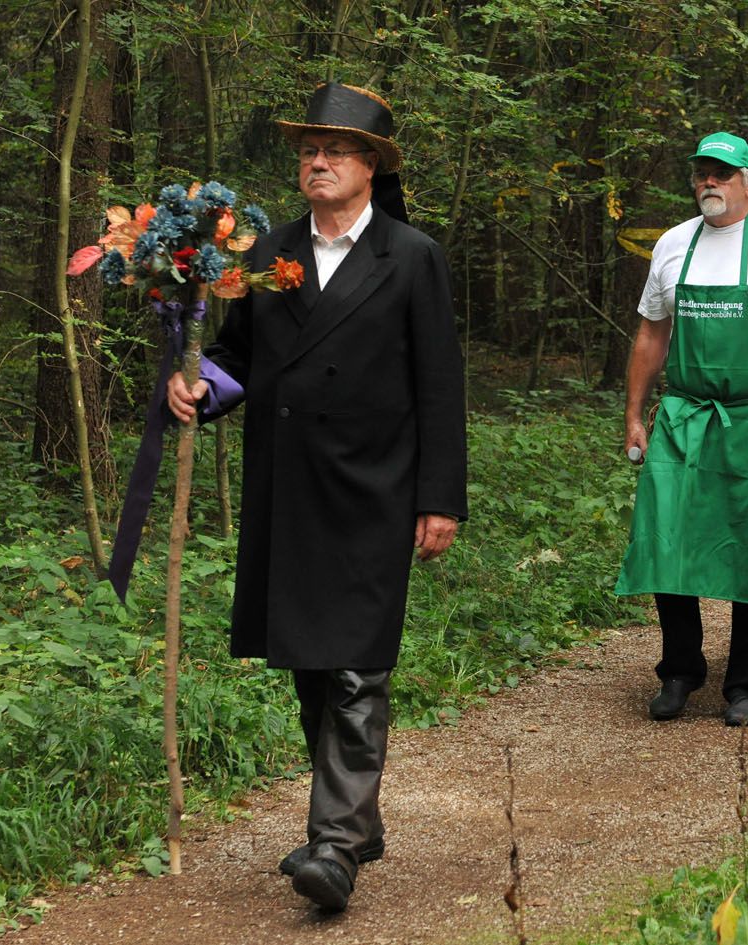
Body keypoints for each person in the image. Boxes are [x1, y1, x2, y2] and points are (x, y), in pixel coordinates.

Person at [166, 82, 467, 912]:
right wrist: (195, 388)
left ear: (370, 166)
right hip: (288, 483)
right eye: (308, 150)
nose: (318, 161)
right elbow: (234, 355)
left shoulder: (411, 256)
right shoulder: (265, 253)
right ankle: (355, 820)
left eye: (335, 150)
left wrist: (439, 497)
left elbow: (440, 385)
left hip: (375, 485)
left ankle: (334, 844)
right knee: (307, 656)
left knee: (355, 665)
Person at [617, 132, 748, 727]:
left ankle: (745, 682)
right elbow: (651, 334)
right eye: (701, 173)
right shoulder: (672, 244)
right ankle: (681, 671)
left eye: (722, 172)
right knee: (668, 540)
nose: (709, 182)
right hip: (684, 414)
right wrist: (635, 414)